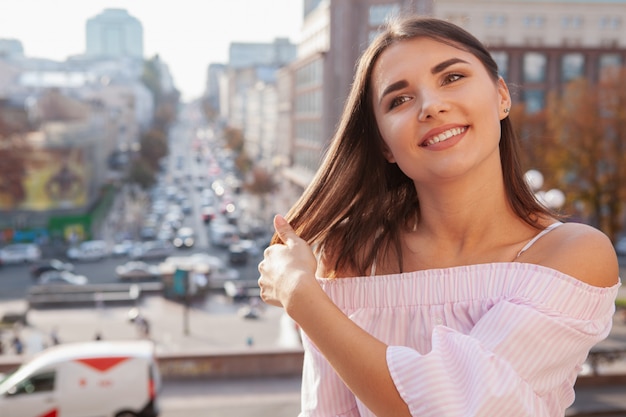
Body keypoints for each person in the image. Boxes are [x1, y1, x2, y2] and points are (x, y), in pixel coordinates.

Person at [257, 15, 621, 417]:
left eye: (451, 78)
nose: (432, 107)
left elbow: (455, 406)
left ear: (502, 95)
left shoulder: (571, 255)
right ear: (385, 146)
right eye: (399, 100)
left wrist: (299, 294)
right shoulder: (351, 255)